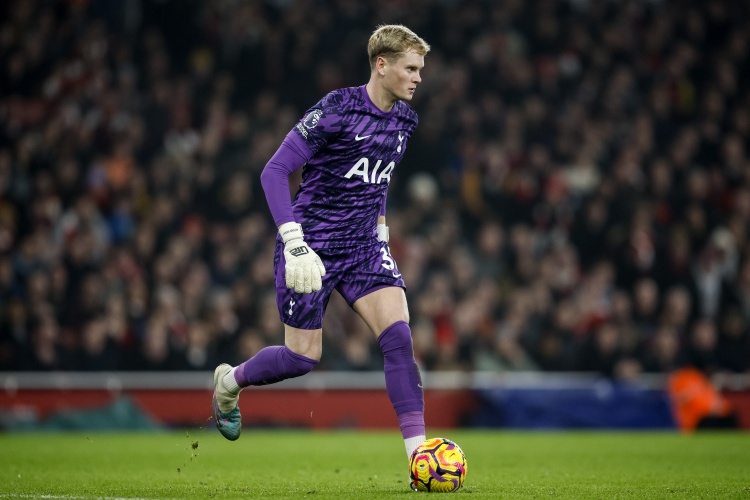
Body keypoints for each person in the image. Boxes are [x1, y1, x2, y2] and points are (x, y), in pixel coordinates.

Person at [211, 24, 431, 472]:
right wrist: (293, 240)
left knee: (399, 338)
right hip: (311, 244)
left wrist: (382, 229)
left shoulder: (405, 120)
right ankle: (229, 383)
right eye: (411, 68)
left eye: (420, 69)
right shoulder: (337, 109)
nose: (418, 78)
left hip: (363, 247)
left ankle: (419, 457)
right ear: (382, 65)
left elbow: (378, 176)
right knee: (301, 357)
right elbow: (274, 172)